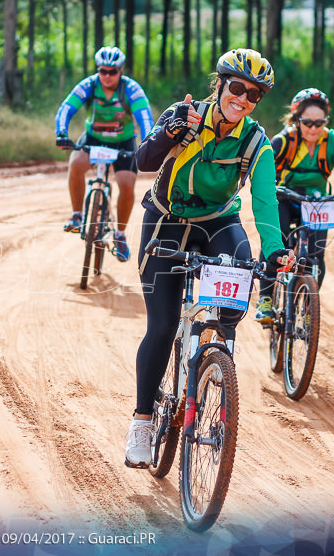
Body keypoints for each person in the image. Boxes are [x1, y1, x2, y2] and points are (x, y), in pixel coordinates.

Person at [124, 48, 293, 467]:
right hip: (167, 221)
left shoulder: (257, 142)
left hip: (218, 223)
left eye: (254, 95)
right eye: (237, 87)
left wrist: (274, 252)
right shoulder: (185, 115)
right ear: (219, 84)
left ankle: (213, 371)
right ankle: (143, 422)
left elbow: (266, 202)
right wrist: (171, 131)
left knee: (235, 295)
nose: (244, 99)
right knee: (162, 326)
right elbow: (143, 160)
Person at [254, 87, 334, 324]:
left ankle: (307, 305)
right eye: (307, 123)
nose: (314, 129)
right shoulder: (283, 141)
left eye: (320, 122)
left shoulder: (332, 141)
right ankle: (265, 299)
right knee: (276, 240)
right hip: (285, 198)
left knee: (316, 255)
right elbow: (263, 169)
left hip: (316, 202)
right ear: (297, 120)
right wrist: (267, 188)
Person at [55, 46, 154, 262]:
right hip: (94, 137)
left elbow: (145, 118)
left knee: (127, 183)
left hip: (123, 141)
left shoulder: (131, 89)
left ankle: (119, 235)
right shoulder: (89, 85)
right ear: (98, 70)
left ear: (121, 71)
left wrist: (148, 141)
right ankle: (77, 215)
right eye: (103, 71)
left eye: (112, 71)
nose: (107, 76)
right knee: (75, 164)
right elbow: (66, 108)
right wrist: (61, 132)